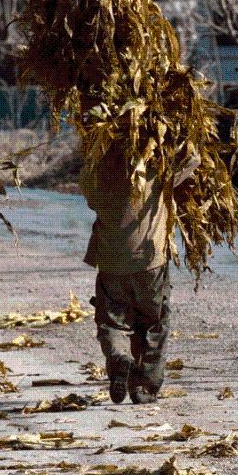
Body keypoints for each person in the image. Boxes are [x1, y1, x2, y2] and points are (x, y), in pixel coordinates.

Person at [80, 141, 200, 404]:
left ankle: (119, 357)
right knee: (154, 322)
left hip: (111, 260)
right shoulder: (157, 167)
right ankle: (144, 386)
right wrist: (188, 143)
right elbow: (191, 162)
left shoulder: (98, 167)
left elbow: (90, 196)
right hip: (150, 260)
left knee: (113, 321)